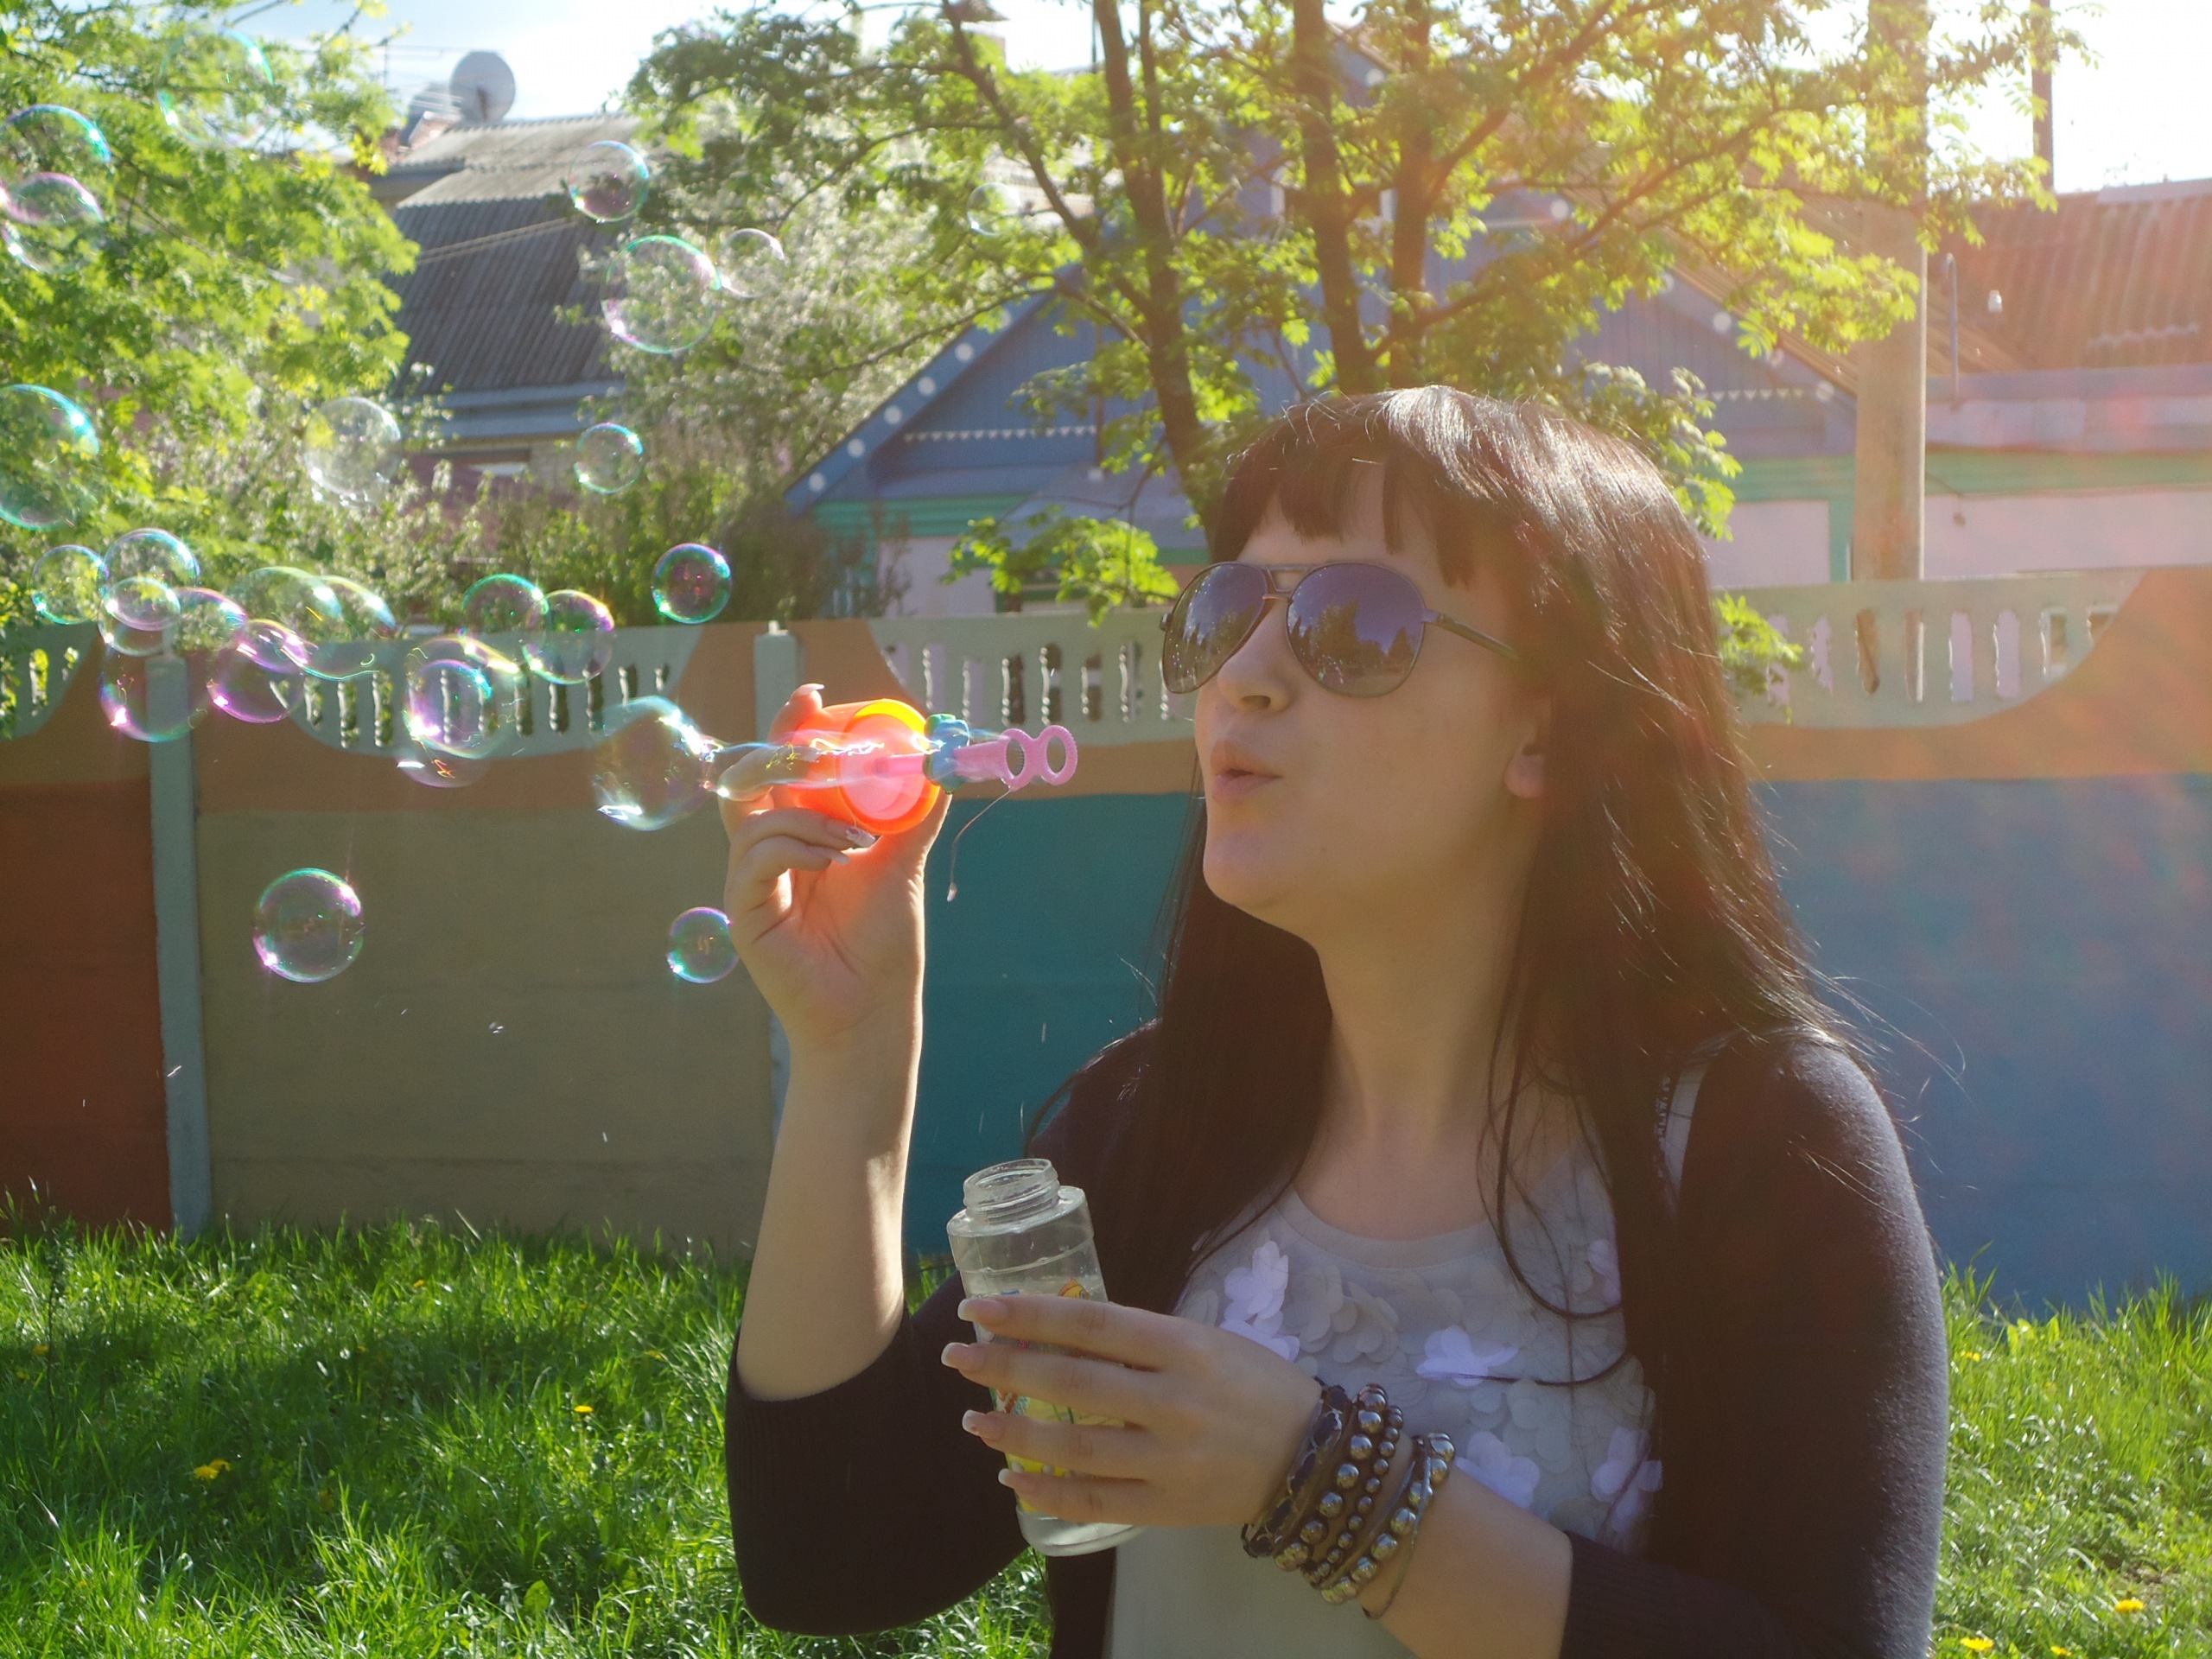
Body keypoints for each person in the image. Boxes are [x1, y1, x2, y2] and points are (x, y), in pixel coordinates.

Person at [719, 388, 1947, 1659]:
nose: (1245, 678)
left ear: (1548, 730)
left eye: (1353, 623)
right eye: (1228, 611)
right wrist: (850, 1055)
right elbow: (827, 1552)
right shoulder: (1157, 1134)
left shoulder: (1757, 1142)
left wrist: (1316, 1479)